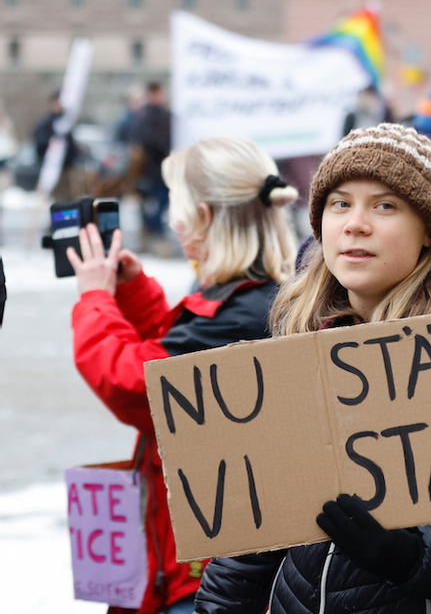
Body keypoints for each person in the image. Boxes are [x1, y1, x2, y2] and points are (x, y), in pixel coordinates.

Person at [194, 123, 431, 614]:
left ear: (428, 233)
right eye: (340, 203)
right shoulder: (297, 340)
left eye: (385, 205)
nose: (355, 224)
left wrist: (410, 556)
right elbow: (255, 530)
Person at [68, 137, 300, 614]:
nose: (173, 224)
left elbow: (137, 384)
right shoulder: (253, 299)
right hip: (207, 557)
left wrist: (95, 297)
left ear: (204, 215)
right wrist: (132, 292)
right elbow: (178, 352)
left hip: (203, 573)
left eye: (176, 207)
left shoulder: (236, 315)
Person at [131, 82, 174, 255]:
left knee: (160, 202)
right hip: (153, 169)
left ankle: (151, 231)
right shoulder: (147, 116)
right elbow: (149, 143)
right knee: (156, 202)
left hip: (160, 168)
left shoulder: (159, 114)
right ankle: (153, 232)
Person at [33, 90, 85, 202]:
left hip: (66, 166)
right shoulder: (46, 123)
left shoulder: (64, 122)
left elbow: (70, 143)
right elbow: (41, 144)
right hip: (53, 167)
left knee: (69, 196)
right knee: (59, 198)